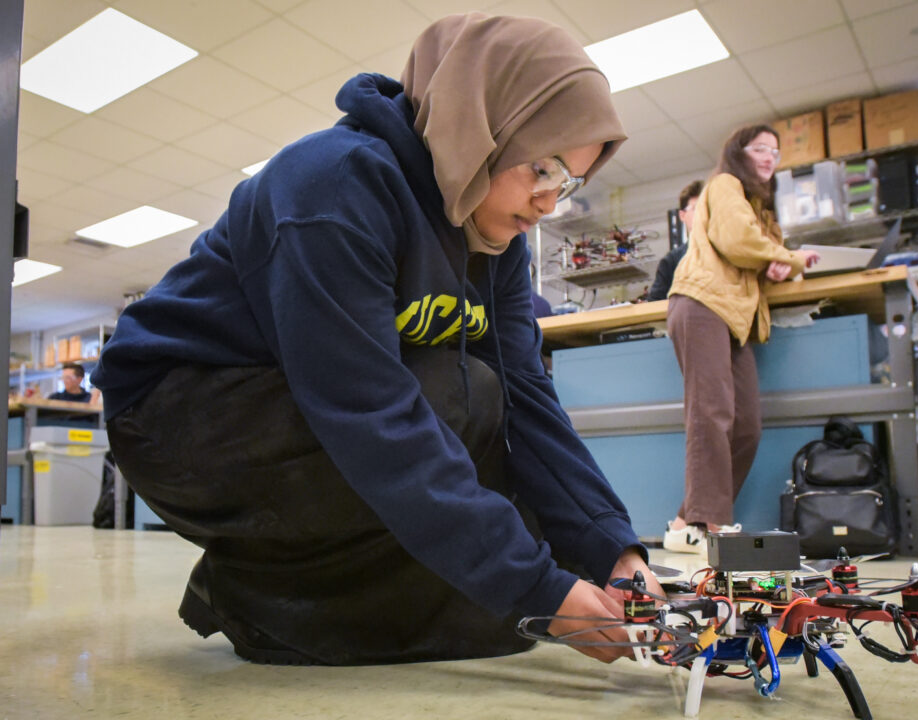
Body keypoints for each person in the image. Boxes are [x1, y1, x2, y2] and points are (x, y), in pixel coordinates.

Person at [90, 13, 660, 667]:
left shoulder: (494, 241)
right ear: (478, 129)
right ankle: (266, 600)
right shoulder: (332, 187)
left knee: (506, 468)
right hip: (176, 417)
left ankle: (287, 588)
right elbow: (368, 412)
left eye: (569, 183)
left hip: (300, 411)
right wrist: (536, 589)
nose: (549, 203)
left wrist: (612, 547)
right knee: (456, 401)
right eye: (539, 168)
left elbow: (528, 399)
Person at [662, 125, 820, 554]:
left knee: (746, 425)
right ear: (738, 152)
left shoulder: (760, 208)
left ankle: (683, 524)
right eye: (759, 149)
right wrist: (786, 257)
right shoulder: (725, 184)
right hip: (701, 303)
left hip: (734, 316)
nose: (769, 157)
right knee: (710, 413)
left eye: (775, 151)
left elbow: (754, 252)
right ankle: (710, 526)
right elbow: (734, 240)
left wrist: (776, 265)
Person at [646, 180, 702, 301]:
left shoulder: (725, 252)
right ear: (682, 216)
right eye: (696, 209)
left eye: (706, 208)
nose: (703, 214)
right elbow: (654, 303)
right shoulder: (671, 262)